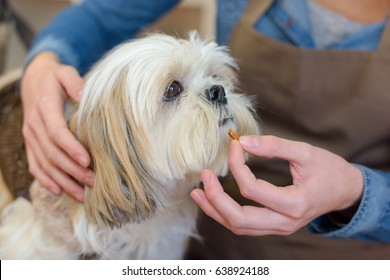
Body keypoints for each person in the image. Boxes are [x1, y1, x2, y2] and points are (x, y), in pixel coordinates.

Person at [20, 0, 390, 258]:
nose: (219, 92)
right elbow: (100, 17)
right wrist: (43, 64)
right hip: (203, 223)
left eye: (216, 80)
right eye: (173, 90)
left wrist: (356, 194)